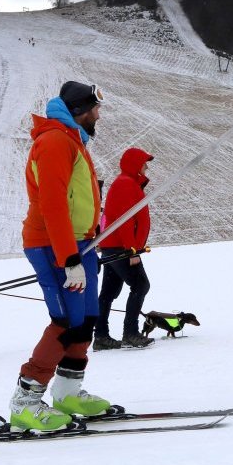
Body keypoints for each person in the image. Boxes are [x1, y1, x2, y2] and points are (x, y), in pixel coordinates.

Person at [8, 80, 111, 432]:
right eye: (95, 108)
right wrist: (69, 258)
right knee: (66, 321)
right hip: (53, 245)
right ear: (80, 110)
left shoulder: (72, 140)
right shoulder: (54, 141)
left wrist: (89, 237)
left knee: (85, 319)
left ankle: (67, 393)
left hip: (80, 243)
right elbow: (52, 203)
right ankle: (25, 403)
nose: (99, 115)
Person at [93, 147, 156, 350]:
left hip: (114, 245)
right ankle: (130, 333)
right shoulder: (126, 184)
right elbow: (124, 220)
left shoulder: (127, 183)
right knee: (140, 285)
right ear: (135, 164)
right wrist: (132, 250)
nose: (146, 167)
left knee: (109, 292)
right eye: (144, 163)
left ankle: (101, 336)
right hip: (121, 247)